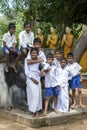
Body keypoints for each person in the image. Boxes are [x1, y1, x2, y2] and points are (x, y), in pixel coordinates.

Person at [25, 47, 42, 117]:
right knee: (32, 95)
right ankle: (33, 110)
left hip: (37, 78)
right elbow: (26, 71)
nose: (34, 54)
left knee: (38, 95)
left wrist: (42, 71)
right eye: (32, 53)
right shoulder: (26, 60)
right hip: (30, 79)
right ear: (30, 53)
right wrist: (32, 79)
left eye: (35, 53)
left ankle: (37, 110)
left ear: (37, 54)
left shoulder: (39, 60)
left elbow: (43, 66)